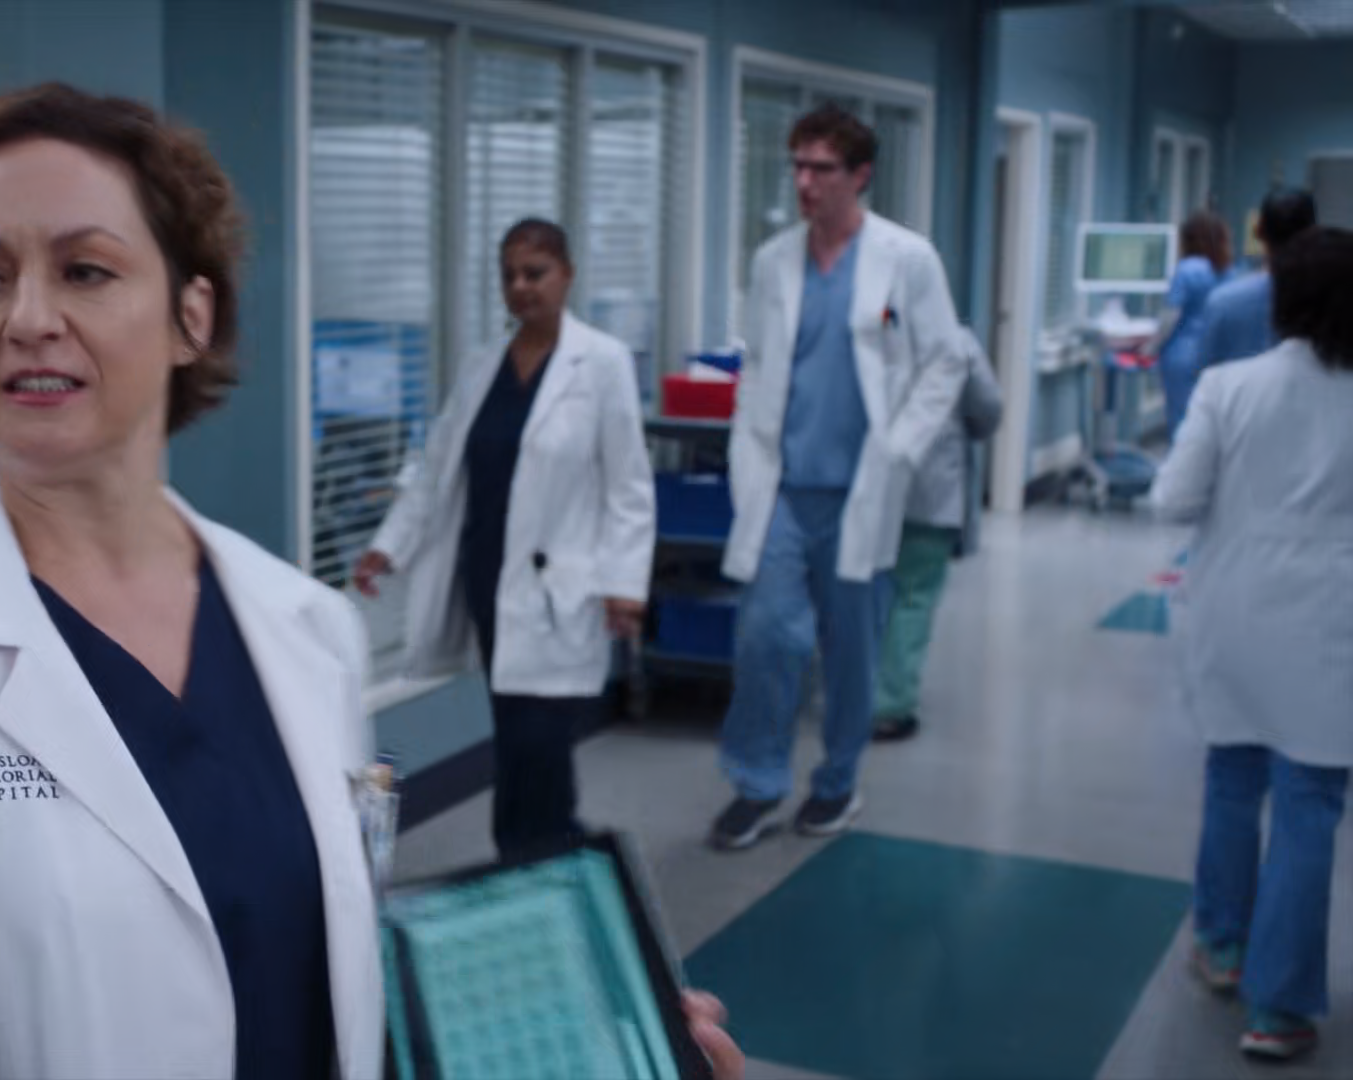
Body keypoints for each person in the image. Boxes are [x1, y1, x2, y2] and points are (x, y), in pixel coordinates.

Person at [0, 84, 744, 1080]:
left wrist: (587, 1043)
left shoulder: (303, 626)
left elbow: (328, 994)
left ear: (191, 316)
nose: (28, 317)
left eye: (85, 269)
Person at [352, 218, 656, 862]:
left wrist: (625, 586)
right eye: (509, 275)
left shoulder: (602, 362)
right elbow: (438, 468)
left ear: (566, 275)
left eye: (535, 273)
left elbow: (629, 485)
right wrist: (389, 545)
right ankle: (528, 859)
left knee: (540, 740)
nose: (521, 287)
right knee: (516, 735)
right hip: (489, 579)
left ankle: (539, 855)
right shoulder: (481, 365)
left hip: (560, 586)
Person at [709, 103, 966, 852]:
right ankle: (757, 783)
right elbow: (760, 364)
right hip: (783, 488)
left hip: (864, 490)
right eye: (797, 165)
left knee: (852, 652)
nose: (804, 182)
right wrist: (745, 448)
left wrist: (903, 446)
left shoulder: (906, 259)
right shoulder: (773, 261)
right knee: (765, 635)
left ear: (860, 175)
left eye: (822, 168)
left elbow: (945, 361)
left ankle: (837, 782)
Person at [1154, 226, 1353, 1063]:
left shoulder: (1228, 386)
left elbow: (1173, 499)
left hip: (1232, 618)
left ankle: (1222, 947)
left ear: (1282, 299)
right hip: (1331, 631)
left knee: (1233, 783)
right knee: (1308, 808)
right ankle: (1278, 1008)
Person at [870, 327, 1002, 743]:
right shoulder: (956, 340)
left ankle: (852, 694)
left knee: (866, 594)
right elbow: (988, 410)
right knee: (912, 596)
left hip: (867, 489)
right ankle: (888, 705)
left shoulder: (866, 326)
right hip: (930, 493)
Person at [1195, 187, 1317, 370]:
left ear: (1258, 231)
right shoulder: (1333, 305)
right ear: (1315, 233)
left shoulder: (1223, 302)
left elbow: (1204, 372)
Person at [1145, 210, 1233, 440]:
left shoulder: (1187, 269)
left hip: (1183, 355)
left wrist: (1149, 347)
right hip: (1216, 354)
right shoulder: (1226, 270)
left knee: (1182, 420)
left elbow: (1171, 316)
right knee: (1211, 421)